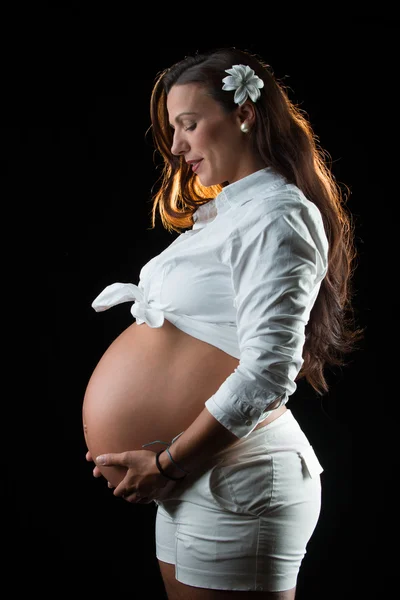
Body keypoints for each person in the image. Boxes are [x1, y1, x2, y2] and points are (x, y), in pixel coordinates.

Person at [84, 47, 361, 599]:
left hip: (234, 477)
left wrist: (166, 461)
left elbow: (268, 371)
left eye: (189, 124)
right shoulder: (234, 213)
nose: (178, 144)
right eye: (172, 129)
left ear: (244, 114)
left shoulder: (278, 214)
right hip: (198, 475)